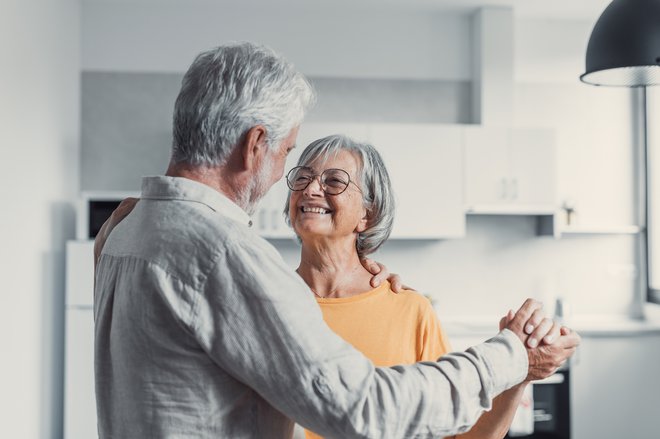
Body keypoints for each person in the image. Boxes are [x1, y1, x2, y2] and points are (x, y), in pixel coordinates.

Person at [93, 41, 580, 438]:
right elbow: (364, 409)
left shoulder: (123, 232)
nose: (297, 182)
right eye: (288, 156)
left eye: (333, 182)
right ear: (254, 145)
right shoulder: (226, 257)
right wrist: (512, 354)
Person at [283, 135, 568, 439]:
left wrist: (518, 372)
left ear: (367, 214)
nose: (311, 190)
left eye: (334, 181)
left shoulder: (409, 311)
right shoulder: (270, 302)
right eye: (302, 178)